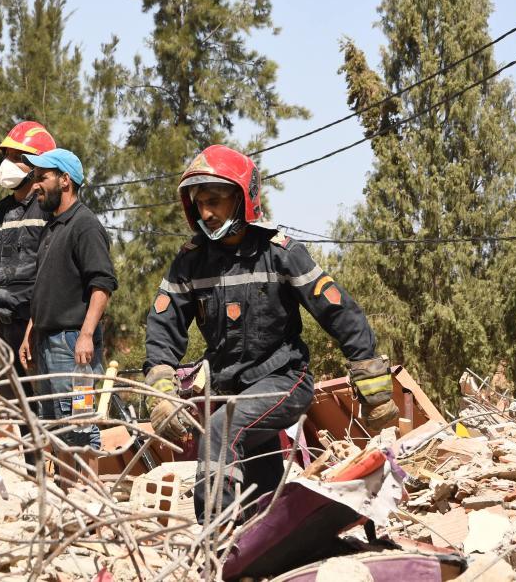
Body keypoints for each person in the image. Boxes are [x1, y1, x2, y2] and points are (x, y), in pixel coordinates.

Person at [143, 145, 399, 524]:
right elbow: (163, 326)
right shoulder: (190, 262)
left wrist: (374, 388)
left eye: (215, 201)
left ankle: (215, 537)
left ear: (243, 199)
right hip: (231, 390)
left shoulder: (280, 252)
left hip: (284, 379)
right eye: (200, 204)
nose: (206, 213)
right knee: (259, 492)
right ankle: (262, 540)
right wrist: (161, 392)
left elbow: (338, 310)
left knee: (220, 433)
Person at [17, 148, 118, 484]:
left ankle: (86, 501)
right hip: (47, 345)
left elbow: (102, 284)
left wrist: (86, 335)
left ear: (65, 180)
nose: (35, 185)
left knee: (80, 425)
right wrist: (30, 333)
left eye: (41, 177)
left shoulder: (85, 226)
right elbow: (44, 287)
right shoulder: (52, 228)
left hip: (74, 349)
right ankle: (67, 501)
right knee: (56, 428)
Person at [0, 121, 56, 450]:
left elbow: (52, 269)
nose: (8, 164)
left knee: (49, 404)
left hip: (36, 324)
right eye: (7, 156)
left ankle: (58, 470)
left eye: (17, 157)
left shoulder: (48, 209)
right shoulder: (0, 212)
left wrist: (36, 319)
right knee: (20, 408)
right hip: (4, 324)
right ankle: (32, 468)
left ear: (37, 166)